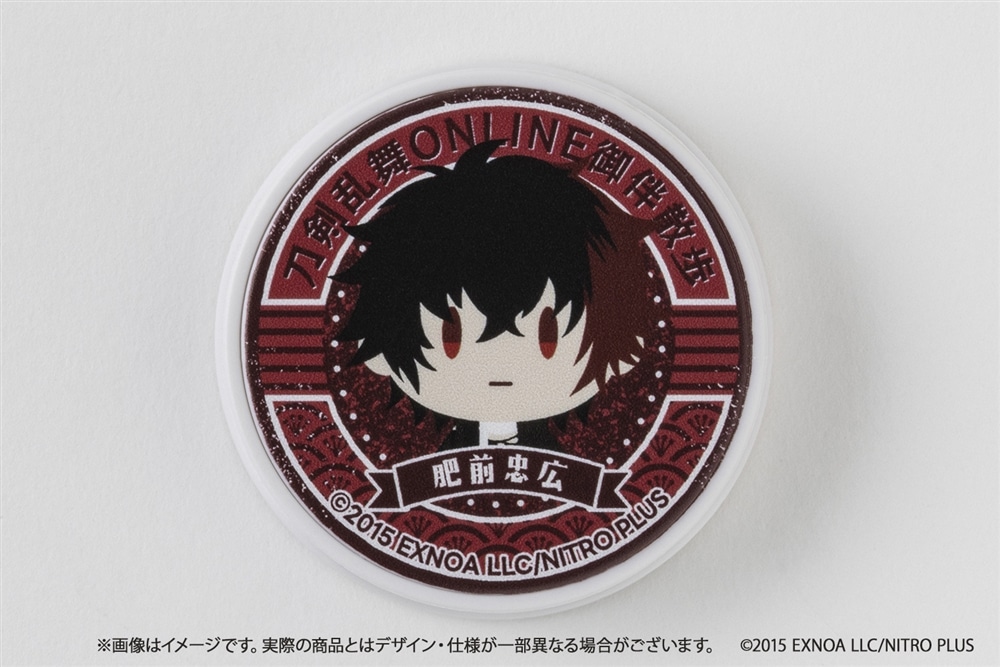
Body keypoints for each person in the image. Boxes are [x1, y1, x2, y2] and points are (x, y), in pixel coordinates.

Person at [334, 140, 658, 451]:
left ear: (627, 348)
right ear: (380, 353)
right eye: (451, 337)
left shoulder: (562, 462)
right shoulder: (445, 456)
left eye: (548, 337)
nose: (501, 365)